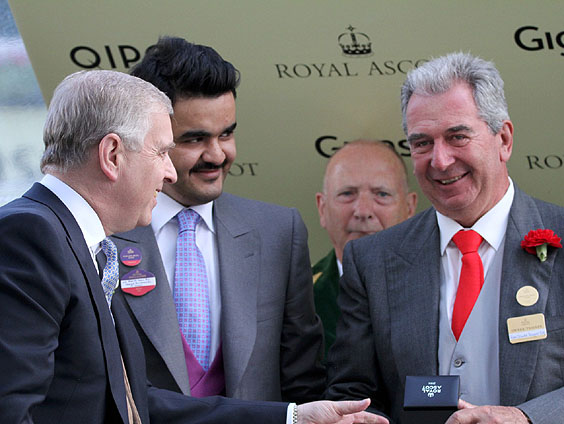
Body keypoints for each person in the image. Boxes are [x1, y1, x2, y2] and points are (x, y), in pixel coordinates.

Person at [0, 69, 389, 424]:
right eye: (161, 152)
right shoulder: (30, 236)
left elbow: (132, 402)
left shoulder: (80, 242)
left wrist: (293, 418)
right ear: (112, 155)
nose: (169, 172)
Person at [325, 52, 564, 423]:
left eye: (457, 136)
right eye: (422, 143)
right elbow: (354, 394)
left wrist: (526, 419)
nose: (439, 160)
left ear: (503, 139)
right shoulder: (372, 260)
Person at [110, 36, 324, 403]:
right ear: (152, 139)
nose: (217, 154)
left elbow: (303, 382)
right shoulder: (105, 234)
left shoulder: (278, 232)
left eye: (226, 133)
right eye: (195, 139)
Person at [313, 140, 416, 356]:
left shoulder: (444, 290)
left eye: (382, 194)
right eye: (347, 194)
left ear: (410, 208)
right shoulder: (298, 298)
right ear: (322, 209)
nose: (363, 211)